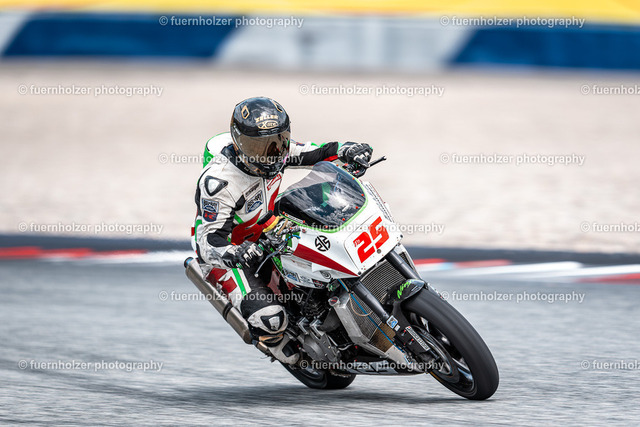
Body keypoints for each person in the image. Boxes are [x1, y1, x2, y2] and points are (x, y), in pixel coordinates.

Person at [193, 96, 372, 363]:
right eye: (257, 146)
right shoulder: (219, 183)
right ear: (238, 143)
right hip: (232, 253)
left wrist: (348, 149)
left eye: (277, 141)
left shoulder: (279, 151)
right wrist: (235, 253)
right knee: (271, 318)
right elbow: (208, 242)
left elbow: (318, 152)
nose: (269, 154)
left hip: (270, 227)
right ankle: (278, 345)